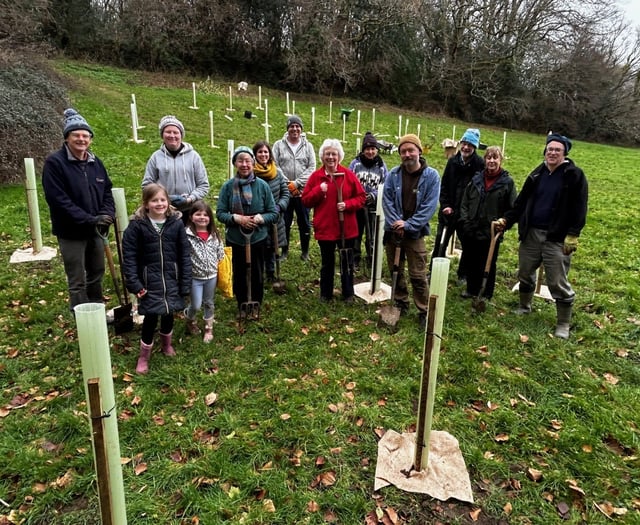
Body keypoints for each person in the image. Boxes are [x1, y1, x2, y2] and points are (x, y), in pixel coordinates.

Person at [494, 133, 588, 339]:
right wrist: (507, 220)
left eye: (557, 150)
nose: (552, 153)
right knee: (525, 272)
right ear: (545, 151)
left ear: (565, 153)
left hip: (557, 237)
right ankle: (524, 306)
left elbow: (580, 207)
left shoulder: (574, 175)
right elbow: (520, 202)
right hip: (532, 233)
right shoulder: (537, 174)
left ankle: (563, 323)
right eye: (549, 149)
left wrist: (573, 233)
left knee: (556, 281)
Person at [42, 108, 115, 312]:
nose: (81, 139)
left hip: (96, 230)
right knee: (77, 277)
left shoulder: (95, 162)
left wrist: (108, 214)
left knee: (97, 272)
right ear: (67, 138)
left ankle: (97, 309)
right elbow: (58, 201)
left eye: (85, 135)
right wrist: (89, 219)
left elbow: (107, 190)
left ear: (90, 139)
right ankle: (81, 315)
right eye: (76, 135)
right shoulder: (55, 163)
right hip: (71, 232)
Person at [122, 183, 192, 374]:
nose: (159, 204)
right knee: (151, 317)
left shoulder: (176, 223)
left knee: (168, 313)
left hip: (172, 278)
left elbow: (184, 254)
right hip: (148, 282)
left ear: (168, 202)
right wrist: (135, 283)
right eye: (154, 200)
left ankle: (166, 344)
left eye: (163, 200)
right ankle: (144, 356)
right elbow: (129, 257)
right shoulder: (137, 227)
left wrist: (185, 282)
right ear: (146, 204)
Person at [382, 134, 440, 328]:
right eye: (403, 151)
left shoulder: (431, 176)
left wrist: (408, 225)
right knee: (395, 269)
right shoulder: (393, 174)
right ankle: (400, 301)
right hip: (393, 232)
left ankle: (423, 309)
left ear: (419, 151)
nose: (407, 154)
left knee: (418, 274)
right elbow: (387, 201)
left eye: (411, 150)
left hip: (414, 233)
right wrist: (396, 223)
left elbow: (429, 207)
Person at [216, 146, 279, 319]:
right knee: (240, 272)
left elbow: (273, 213)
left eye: (247, 161)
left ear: (253, 162)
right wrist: (237, 219)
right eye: (240, 161)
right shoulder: (228, 187)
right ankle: (242, 303)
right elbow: (220, 213)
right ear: (235, 163)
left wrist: (258, 219)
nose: (244, 164)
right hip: (236, 238)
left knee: (257, 271)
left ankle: (256, 302)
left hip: (258, 238)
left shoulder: (262, 186)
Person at [302, 139, 366, 302]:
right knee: (327, 263)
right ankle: (326, 294)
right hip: (326, 228)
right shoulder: (316, 177)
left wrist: (347, 204)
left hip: (347, 228)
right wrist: (318, 190)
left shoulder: (348, 175)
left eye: (334, 154)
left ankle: (348, 293)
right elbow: (306, 200)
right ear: (322, 156)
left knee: (347, 262)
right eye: (327, 154)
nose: (330, 157)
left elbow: (361, 197)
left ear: (339, 156)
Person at [459, 146, 516, 303]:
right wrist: (465, 221)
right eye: (489, 157)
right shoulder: (477, 179)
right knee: (471, 258)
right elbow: (465, 201)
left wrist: (504, 222)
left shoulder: (507, 183)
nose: (491, 161)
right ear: (484, 160)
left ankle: (486, 293)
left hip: (491, 231)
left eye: (495, 157)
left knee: (488, 262)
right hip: (472, 227)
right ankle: (471, 289)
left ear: (500, 160)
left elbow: (512, 209)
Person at [430, 128, 484, 283]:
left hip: (466, 214)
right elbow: (444, 185)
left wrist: (467, 213)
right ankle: (433, 271)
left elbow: (478, 191)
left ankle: (463, 273)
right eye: (464, 143)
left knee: (467, 244)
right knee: (441, 241)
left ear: (475, 147)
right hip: (448, 210)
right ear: (461, 144)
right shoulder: (452, 161)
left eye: (470, 145)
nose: (466, 147)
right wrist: (445, 205)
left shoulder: (479, 165)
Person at [142, 115, 210, 219]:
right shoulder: (156, 157)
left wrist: (189, 199)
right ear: (162, 135)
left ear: (181, 135)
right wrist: (164, 200)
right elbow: (147, 185)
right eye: (168, 132)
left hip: (190, 210)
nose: (172, 135)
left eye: (176, 132)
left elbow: (203, 185)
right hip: (163, 210)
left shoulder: (193, 156)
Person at [272, 115, 316, 261]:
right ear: (288, 128)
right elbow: (275, 165)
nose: (295, 129)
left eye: (297, 126)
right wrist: (287, 183)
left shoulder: (308, 146)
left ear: (301, 129)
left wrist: (296, 183)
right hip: (285, 192)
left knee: (304, 222)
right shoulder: (278, 145)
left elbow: (312, 167)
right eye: (292, 126)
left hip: (303, 191)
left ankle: (305, 251)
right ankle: (284, 251)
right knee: (285, 221)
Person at [184, 200, 225, 343]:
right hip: (195, 277)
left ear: (210, 218)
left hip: (211, 276)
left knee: (209, 302)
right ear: (191, 217)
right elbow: (183, 255)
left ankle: (208, 328)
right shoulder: (187, 235)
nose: (202, 217)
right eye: (198, 214)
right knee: (195, 304)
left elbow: (220, 252)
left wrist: (218, 261)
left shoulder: (214, 234)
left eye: (205, 215)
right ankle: (190, 320)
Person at [348, 131, 388, 272]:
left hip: (373, 207)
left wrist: (373, 196)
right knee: (356, 233)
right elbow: (349, 181)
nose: (370, 152)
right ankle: (355, 257)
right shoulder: (355, 164)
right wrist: (359, 195)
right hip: (357, 206)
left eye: (373, 149)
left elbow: (385, 185)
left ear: (377, 150)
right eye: (367, 149)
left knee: (372, 234)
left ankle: (371, 257)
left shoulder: (382, 166)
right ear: (363, 150)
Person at [252, 141, 290, 282]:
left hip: (275, 217)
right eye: (260, 152)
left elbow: (285, 193)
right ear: (255, 155)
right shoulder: (251, 173)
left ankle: (271, 273)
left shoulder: (277, 173)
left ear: (270, 154)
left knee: (272, 247)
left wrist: (279, 207)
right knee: (260, 246)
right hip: (258, 216)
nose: (263, 155)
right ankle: (259, 273)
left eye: (266, 152)